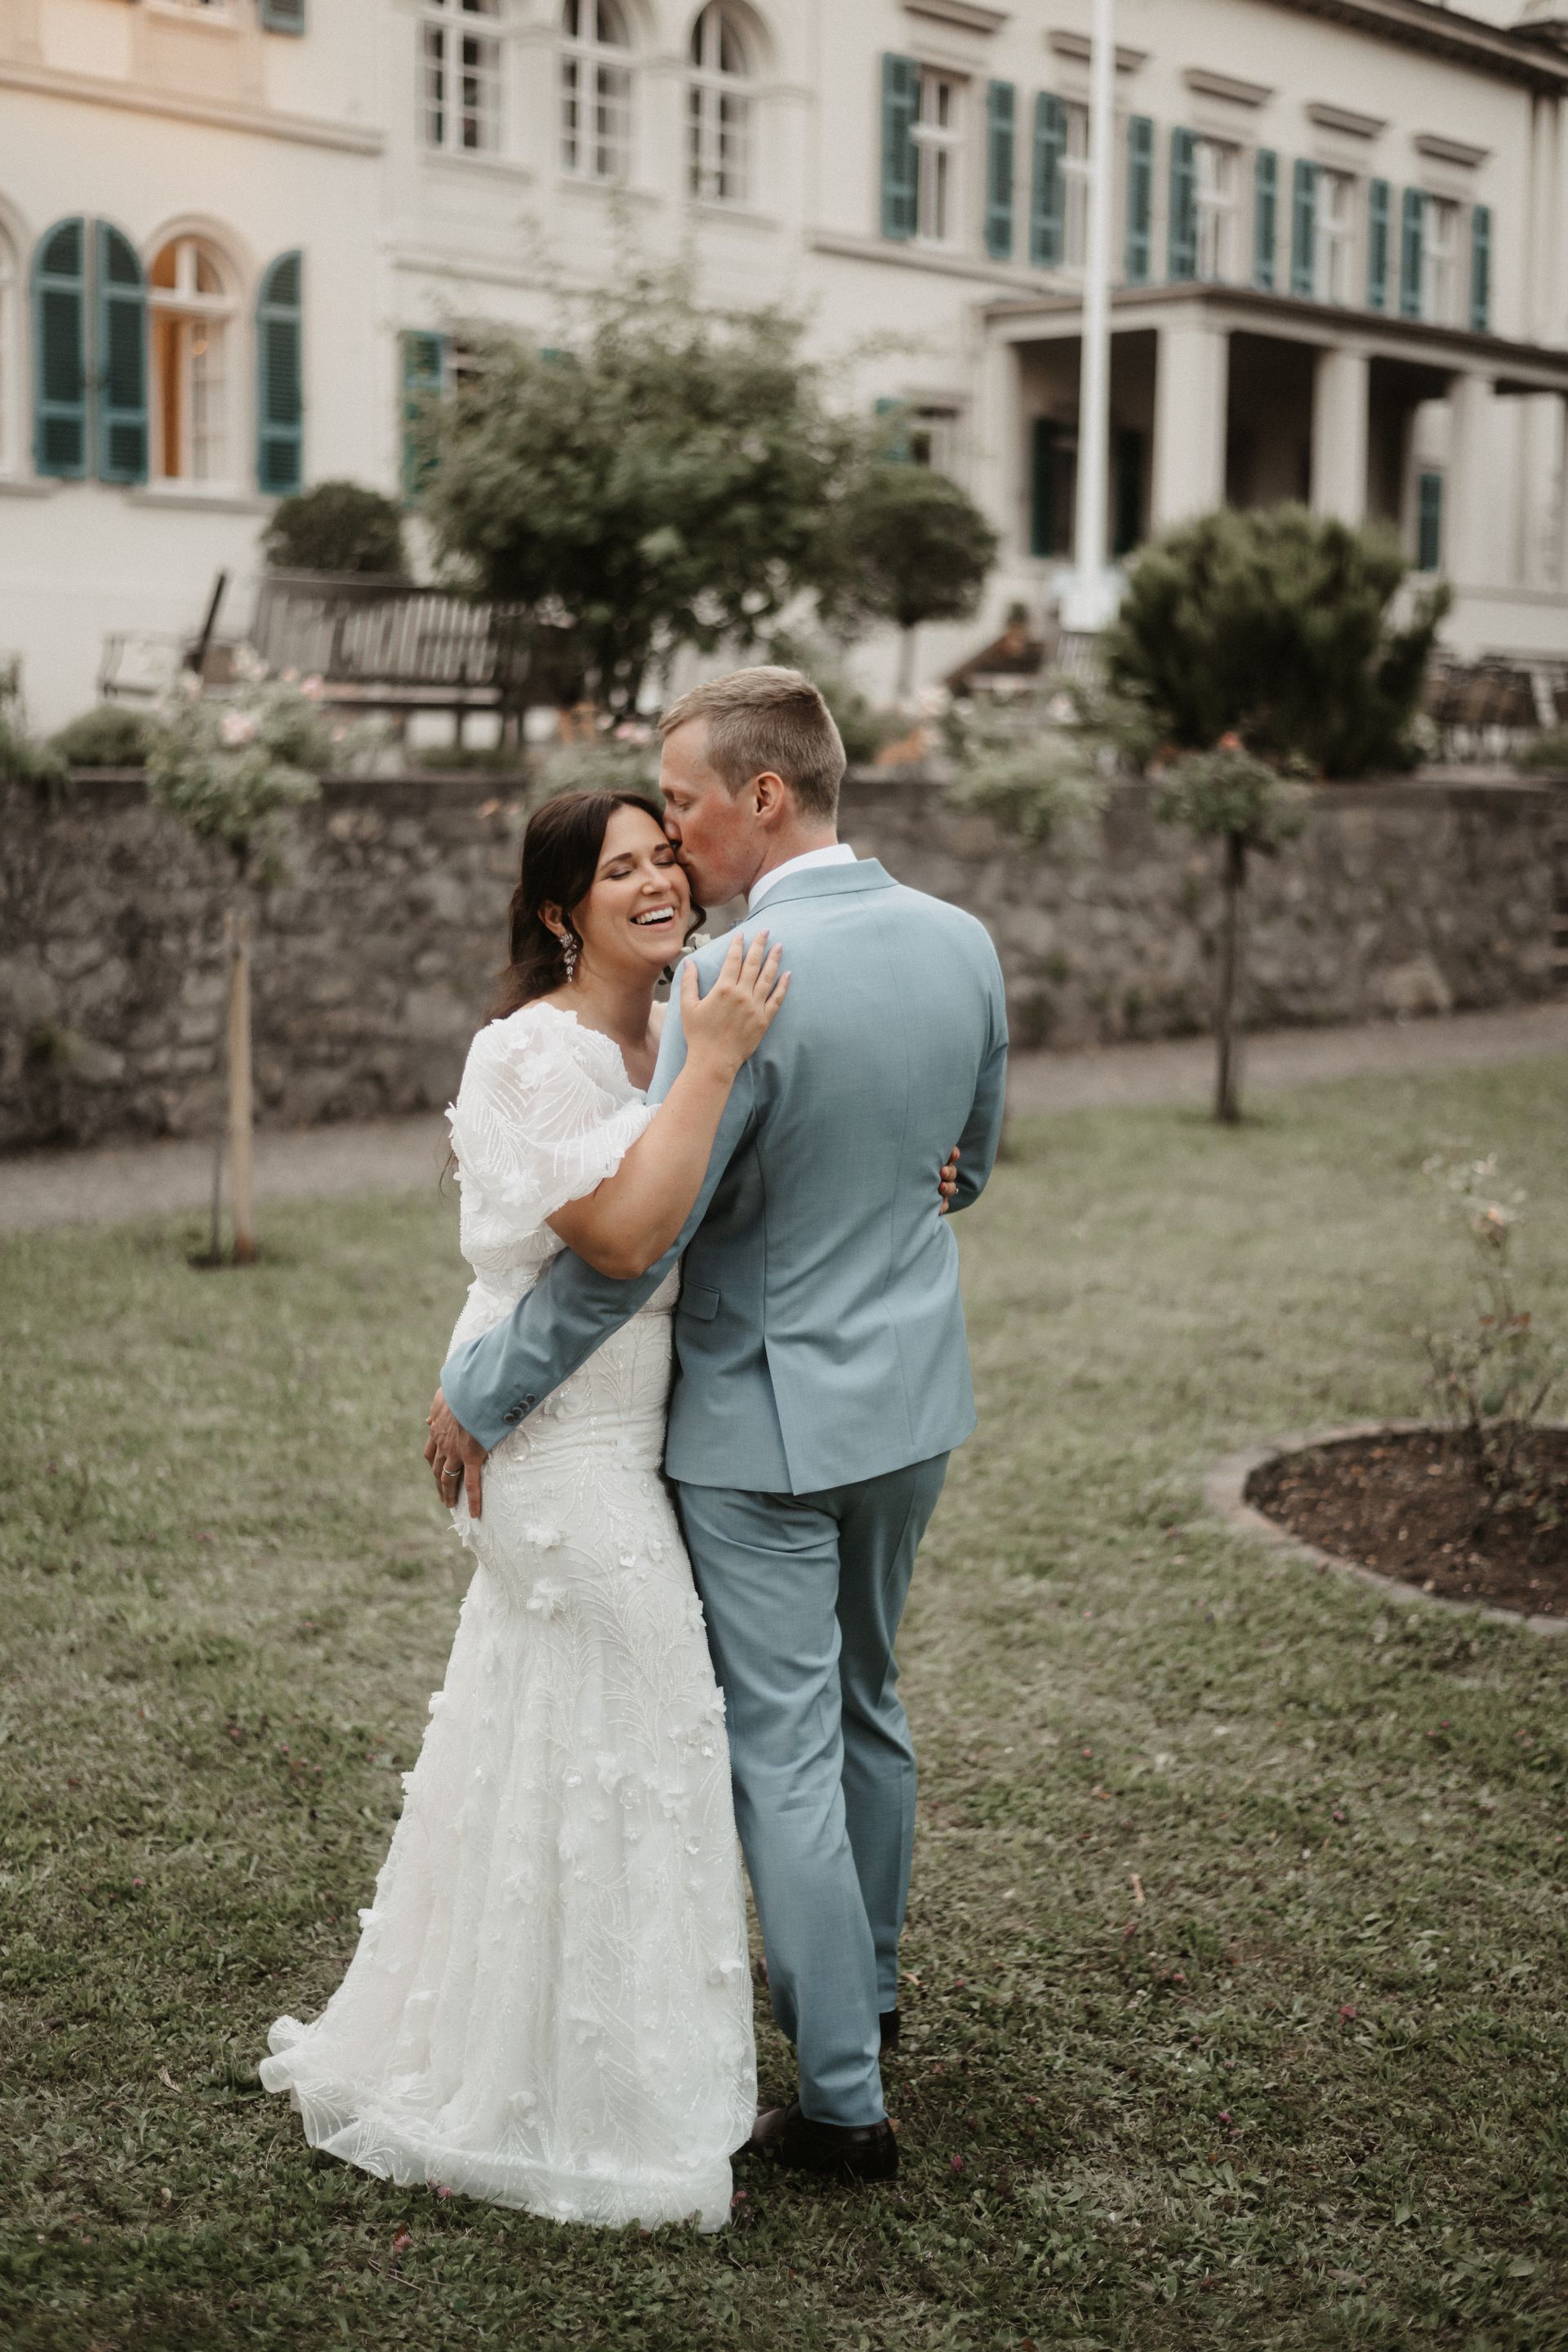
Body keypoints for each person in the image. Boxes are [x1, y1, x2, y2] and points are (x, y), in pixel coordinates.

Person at [428, 667, 1008, 2183]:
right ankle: (864, 1992)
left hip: (763, 1432)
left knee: (786, 1752)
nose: (671, 840)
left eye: (679, 804)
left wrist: (483, 1389)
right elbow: (971, 1162)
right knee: (870, 1705)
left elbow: (644, 1247)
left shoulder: (732, 982)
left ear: (762, 796)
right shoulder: (961, 944)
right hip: (913, 1408)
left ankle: (837, 2097)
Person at [261, 789, 789, 2231]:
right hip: (549, 1439)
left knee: (559, 1737)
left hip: (638, 1431)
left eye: (666, 855)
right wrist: (718, 1062)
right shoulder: (530, 1052)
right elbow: (617, 1239)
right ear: (562, 908)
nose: (658, 880)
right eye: (620, 868)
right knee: (648, 1713)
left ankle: (536, 2046)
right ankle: (599, 2101)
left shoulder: (683, 1022)